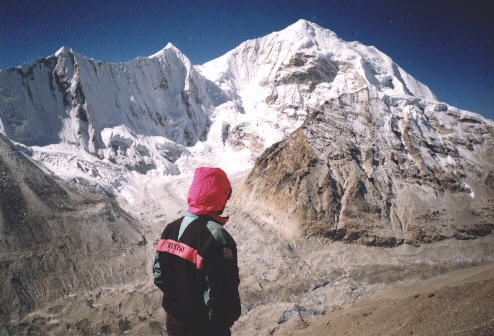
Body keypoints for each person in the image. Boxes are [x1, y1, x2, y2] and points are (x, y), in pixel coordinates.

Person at [153, 167, 241, 336]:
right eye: (225, 196)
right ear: (219, 197)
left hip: (173, 322)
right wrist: (222, 323)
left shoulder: (170, 229)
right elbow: (222, 291)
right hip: (203, 327)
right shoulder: (217, 237)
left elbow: (158, 276)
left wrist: (178, 300)